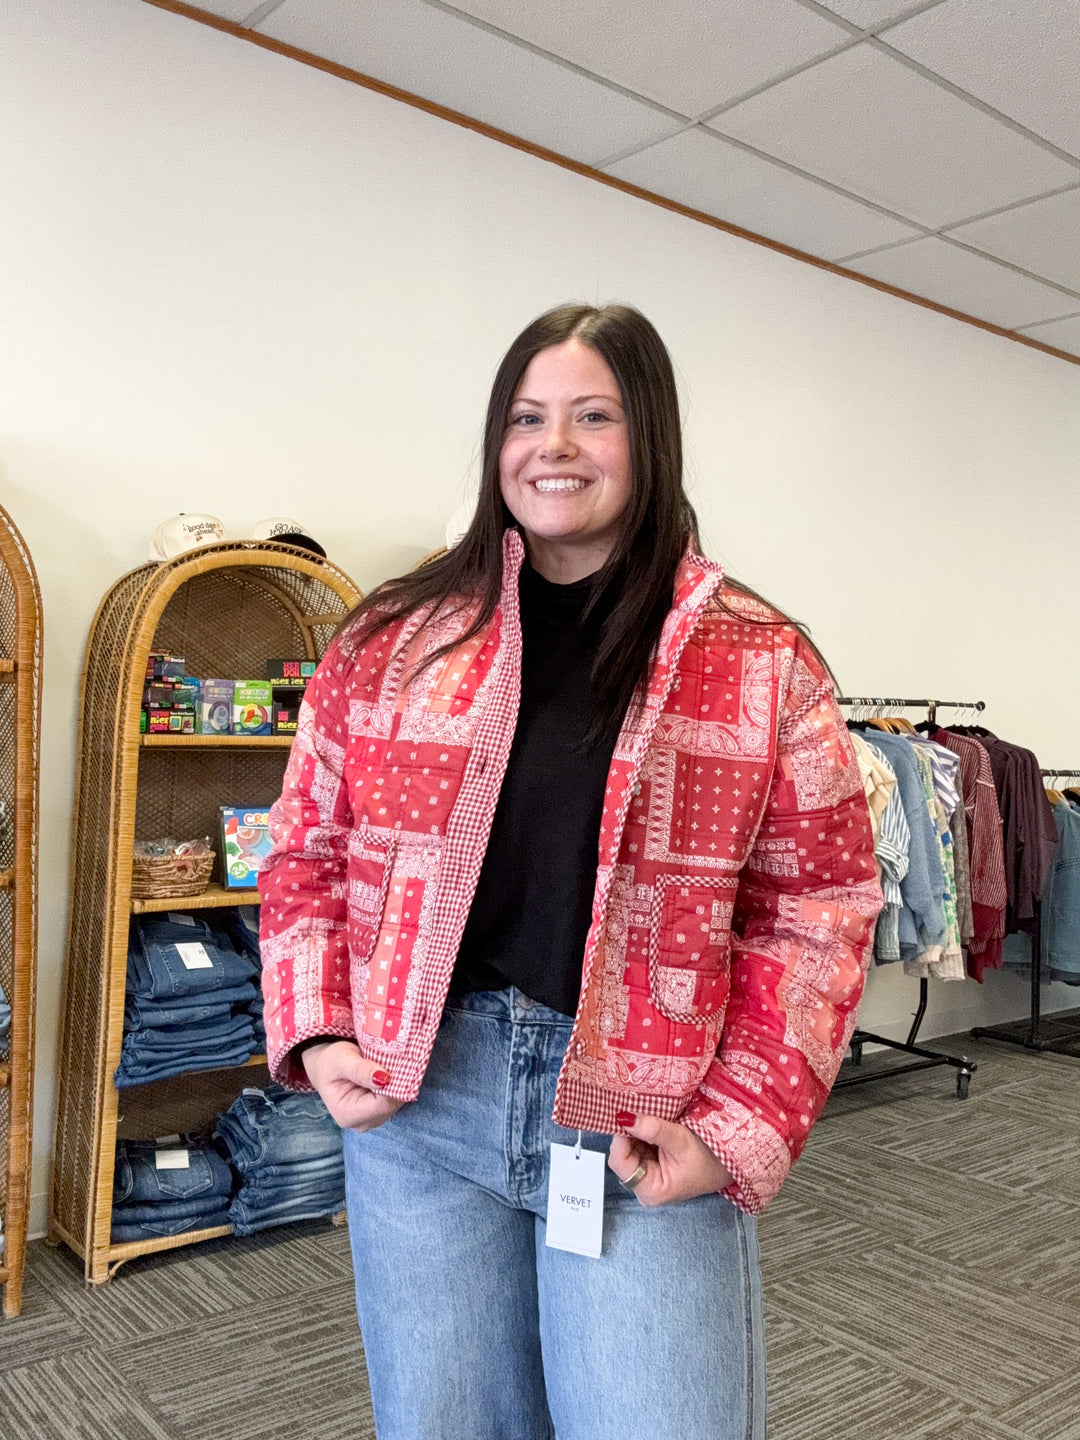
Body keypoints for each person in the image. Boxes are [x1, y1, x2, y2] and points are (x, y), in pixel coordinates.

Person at [259, 303, 882, 1440]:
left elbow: (822, 905)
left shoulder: (756, 658)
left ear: (648, 438)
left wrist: (739, 1122)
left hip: (646, 1117)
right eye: (527, 416)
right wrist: (317, 1027)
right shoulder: (394, 642)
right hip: (423, 1100)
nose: (554, 444)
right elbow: (308, 847)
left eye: (592, 416)